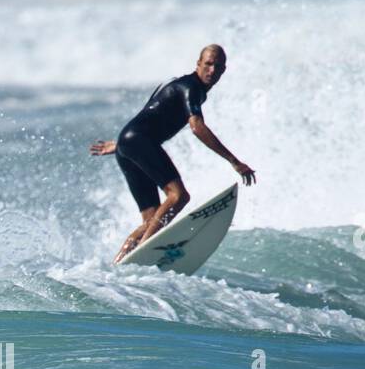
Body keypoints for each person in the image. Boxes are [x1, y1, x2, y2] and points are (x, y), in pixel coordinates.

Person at [91, 44, 256, 263]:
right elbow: (197, 127)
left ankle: (120, 263)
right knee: (178, 196)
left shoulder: (177, 83)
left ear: (224, 70)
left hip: (129, 143)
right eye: (207, 64)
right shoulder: (191, 88)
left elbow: (152, 109)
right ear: (198, 64)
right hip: (138, 142)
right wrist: (233, 161)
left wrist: (122, 143)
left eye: (217, 66)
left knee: (152, 220)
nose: (212, 70)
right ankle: (142, 252)